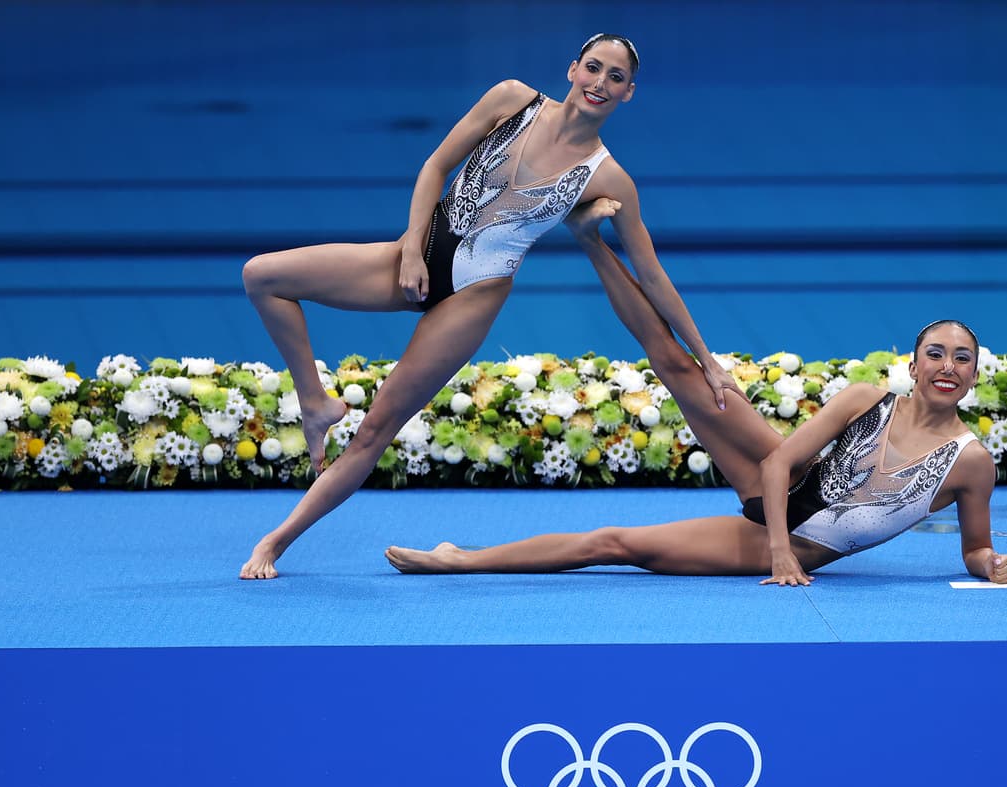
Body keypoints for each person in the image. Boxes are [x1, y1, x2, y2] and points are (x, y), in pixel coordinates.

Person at [240, 34, 740, 579]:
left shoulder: (608, 176)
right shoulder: (512, 99)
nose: (600, 83)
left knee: (376, 429)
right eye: (593, 68)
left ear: (628, 93)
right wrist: (411, 249)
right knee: (262, 276)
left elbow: (652, 276)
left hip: (475, 295)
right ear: (572, 69)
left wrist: (708, 361)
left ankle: (275, 542)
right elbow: (435, 166)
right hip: (415, 254)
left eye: (615, 78)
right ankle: (316, 403)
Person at [384, 203, 1007, 585]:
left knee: (615, 544)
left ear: (974, 374)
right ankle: (588, 240)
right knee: (678, 366)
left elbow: (974, 547)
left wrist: (989, 565)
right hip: (779, 506)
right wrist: (777, 556)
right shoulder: (865, 399)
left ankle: (462, 561)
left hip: (801, 543)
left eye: (962, 359)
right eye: (936, 353)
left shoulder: (971, 461)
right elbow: (777, 462)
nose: (947, 366)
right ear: (914, 362)